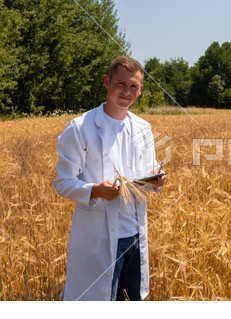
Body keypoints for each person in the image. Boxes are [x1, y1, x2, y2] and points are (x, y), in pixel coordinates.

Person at [53, 56, 166, 301]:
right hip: (99, 238)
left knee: (132, 301)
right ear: (107, 81)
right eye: (120, 84)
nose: (127, 91)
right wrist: (95, 190)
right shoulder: (80, 127)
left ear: (140, 90)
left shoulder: (143, 128)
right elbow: (62, 183)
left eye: (133, 86)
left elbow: (150, 171)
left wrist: (157, 180)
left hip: (135, 236)